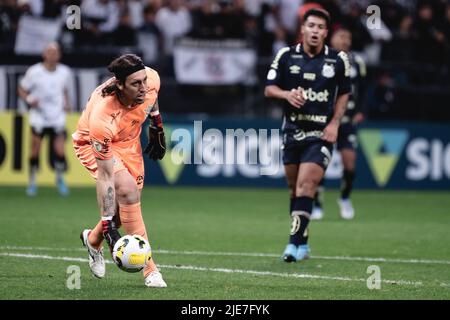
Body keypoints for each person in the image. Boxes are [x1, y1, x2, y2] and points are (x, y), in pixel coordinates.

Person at [72, 54, 168, 287]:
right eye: (136, 84)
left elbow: (152, 98)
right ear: (120, 85)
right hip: (95, 144)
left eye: (144, 80)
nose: (144, 87)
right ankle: (150, 269)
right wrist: (108, 227)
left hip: (129, 142)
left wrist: (156, 124)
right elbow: (105, 177)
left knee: (123, 210)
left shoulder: (151, 79)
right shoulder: (102, 117)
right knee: (127, 192)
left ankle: (92, 240)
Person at [264, 8, 351, 263]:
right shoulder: (285, 55)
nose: (315, 31)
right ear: (302, 28)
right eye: (311, 25)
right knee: (295, 190)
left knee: (307, 185)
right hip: (292, 132)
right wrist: (286, 94)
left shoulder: (338, 60)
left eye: (320, 27)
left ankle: (292, 246)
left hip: (320, 134)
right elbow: (269, 89)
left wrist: (335, 123)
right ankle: (303, 241)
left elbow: (345, 93)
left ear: (326, 32)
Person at [311, 25, 367, 221]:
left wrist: (360, 110)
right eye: (341, 37)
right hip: (325, 121)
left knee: (350, 163)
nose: (344, 41)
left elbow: (364, 89)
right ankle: (317, 202)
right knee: (319, 163)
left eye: (347, 37)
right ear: (331, 39)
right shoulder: (322, 59)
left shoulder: (357, 62)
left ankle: (344, 198)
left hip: (347, 120)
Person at [18, 42, 72, 197]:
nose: (53, 54)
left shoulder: (64, 72)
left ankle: (60, 179)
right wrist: (28, 99)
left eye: (55, 52)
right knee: (35, 150)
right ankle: (32, 181)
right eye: (50, 51)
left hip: (57, 116)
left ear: (59, 55)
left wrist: (67, 103)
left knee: (60, 151)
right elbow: (21, 89)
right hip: (39, 116)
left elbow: (65, 90)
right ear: (44, 54)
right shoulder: (34, 72)